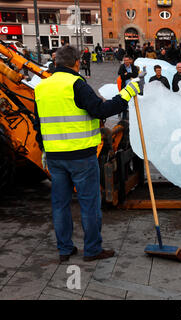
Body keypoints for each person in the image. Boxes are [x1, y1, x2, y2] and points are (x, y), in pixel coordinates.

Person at [34, 45, 143, 262]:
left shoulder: (41, 87)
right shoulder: (76, 84)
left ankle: (65, 249)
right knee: (89, 203)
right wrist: (129, 91)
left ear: (56, 63)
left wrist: (45, 149)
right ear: (76, 63)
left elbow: (38, 124)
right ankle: (92, 249)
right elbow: (101, 110)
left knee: (60, 204)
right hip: (81, 156)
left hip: (55, 157)